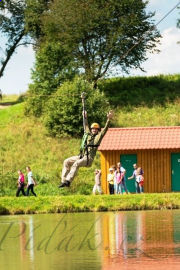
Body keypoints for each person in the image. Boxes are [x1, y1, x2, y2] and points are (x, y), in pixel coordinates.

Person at [59, 110, 113, 188]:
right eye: (93, 129)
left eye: (96, 129)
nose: (94, 130)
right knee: (66, 161)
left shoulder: (98, 137)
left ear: (98, 131)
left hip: (88, 159)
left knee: (76, 164)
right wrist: (85, 116)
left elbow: (105, 129)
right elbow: (86, 125)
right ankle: (64, 181)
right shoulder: (88, 134)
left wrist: (109, 119)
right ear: (91, 130)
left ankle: (68, 181)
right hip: (81, 156)